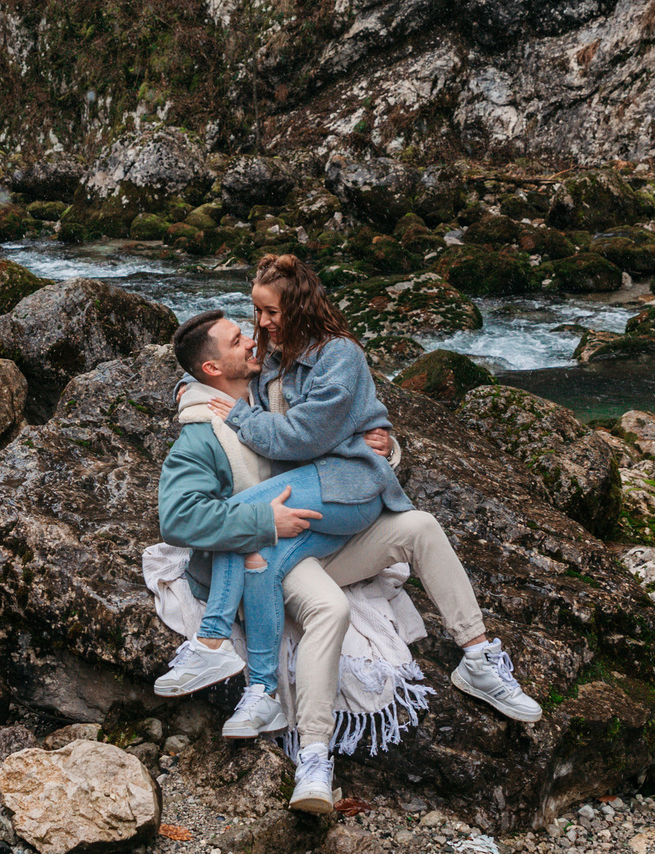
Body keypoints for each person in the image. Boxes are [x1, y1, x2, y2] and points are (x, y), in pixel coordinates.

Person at [154, 268, 540, 813]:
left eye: (263, 317)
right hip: (286, 542)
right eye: (244, 332)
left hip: (328, 519)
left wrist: (383, 445)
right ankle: (312, 753)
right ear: (213, 369)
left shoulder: (275, 377)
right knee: (324, 604)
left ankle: (478, 656)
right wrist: (267, 522)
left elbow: (329, 429)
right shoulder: (205, 429)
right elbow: (183, 517)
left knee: (422, 526)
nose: (256, 332)